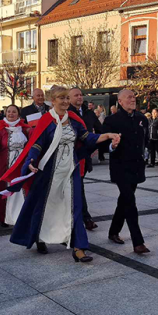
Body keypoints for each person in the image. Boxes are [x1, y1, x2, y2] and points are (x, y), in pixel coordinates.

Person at [2, 85, 119, 261]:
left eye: (66, 98)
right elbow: (36, 144)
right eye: (61, 98)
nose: (65, 101)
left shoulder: (73, 119)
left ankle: (79, 247)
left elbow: (87, 138)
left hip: (70, 170)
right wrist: (31, 160)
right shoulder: (46, 120)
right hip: (48, 172)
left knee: (75, 207)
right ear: (53, 101)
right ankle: (38, 237)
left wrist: (107, 135)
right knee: (43, 206)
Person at [101, 89, 150, 253]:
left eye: (134, 97)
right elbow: (102, 144)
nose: (133, 99)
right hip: (120, 167)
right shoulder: (111, 120)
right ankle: (138, 242)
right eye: (129, 97)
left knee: (124, 200)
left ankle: (113, 231)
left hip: (136, 167)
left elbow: (146, 140)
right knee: (130, 202)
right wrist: (112, 146)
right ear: (120, 101)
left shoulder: (142, 119)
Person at [68, 86, 102, 230]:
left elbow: (100, 131)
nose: (79, 97)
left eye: (80, 95)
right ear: (69, 98)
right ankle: (80, 218)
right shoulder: (66, 113)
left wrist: (93, 148)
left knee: (79, 188)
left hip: (83, 157)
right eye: (76, 95)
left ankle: (84, 217)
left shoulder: (89, 113)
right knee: (73, 189)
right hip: (68, 157)